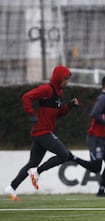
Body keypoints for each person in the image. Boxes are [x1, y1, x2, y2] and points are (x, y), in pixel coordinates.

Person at [4, 65, 80, 201]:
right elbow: (26, 97)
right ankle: (38, 171)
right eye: (65, 79)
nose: (66, 82)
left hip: (43, 132)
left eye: (67, 79)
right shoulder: (47, 89)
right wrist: (30, 114)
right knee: (64, 154)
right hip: (42, 132)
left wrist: (69, 106)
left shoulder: (59, 94)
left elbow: (57, 113)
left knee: (32, 163)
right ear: (58, 78)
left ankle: (12, 187)